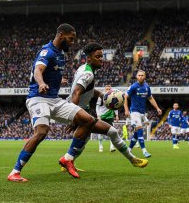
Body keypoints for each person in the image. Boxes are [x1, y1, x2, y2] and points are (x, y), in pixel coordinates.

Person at [7, 24, 120, 182]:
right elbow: (38, 70)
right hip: (38, 98)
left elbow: (50, 72)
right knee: (41, 132)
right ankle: (15, 172)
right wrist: (40, 83)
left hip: (54, 99)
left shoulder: (61, 55)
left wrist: (60, 79)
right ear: (61, 35)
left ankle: (68, 158)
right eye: (71, 38)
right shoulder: (47, 51)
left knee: (87, 120)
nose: (73, 42)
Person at [64, 43, 147, 170]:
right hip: (79, 112)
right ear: (89, 58)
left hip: (79, 110)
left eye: (102, 56)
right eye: (98, 56)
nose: (101, 59)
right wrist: (74, 116)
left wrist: (103, 95)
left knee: (84, 140)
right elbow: (76, 92)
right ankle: (133, 160)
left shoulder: (83, 68)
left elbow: (88, 90)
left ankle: (68, 163)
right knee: (112, 131)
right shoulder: (88, 73)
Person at [124, 70, 162, 158]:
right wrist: (126, 110)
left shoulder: (147, 87)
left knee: (137, 133)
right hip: (134, 112)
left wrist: (157, 108)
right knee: (140, 129)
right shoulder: (133, 86)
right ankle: (144, 151)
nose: (140, 77)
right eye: (139, 75)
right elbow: (125, 97)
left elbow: (150, 98)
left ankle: (128, 150)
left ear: (145, 76)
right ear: (136, 76)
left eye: (142, 75)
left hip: (142, 113)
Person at [96, 85, 119, 152]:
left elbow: (115, 106)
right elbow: (97, 107)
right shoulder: (101, 96)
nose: (108, 90)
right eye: (107, 89)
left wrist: (117, 115)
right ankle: (100, 146)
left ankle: (112, 147)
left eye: (109, 89)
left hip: (110, 116)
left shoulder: (113, 96)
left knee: (112, 132)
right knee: (100, 132)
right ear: (104, 89)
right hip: (102, 116)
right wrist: (98, 115)